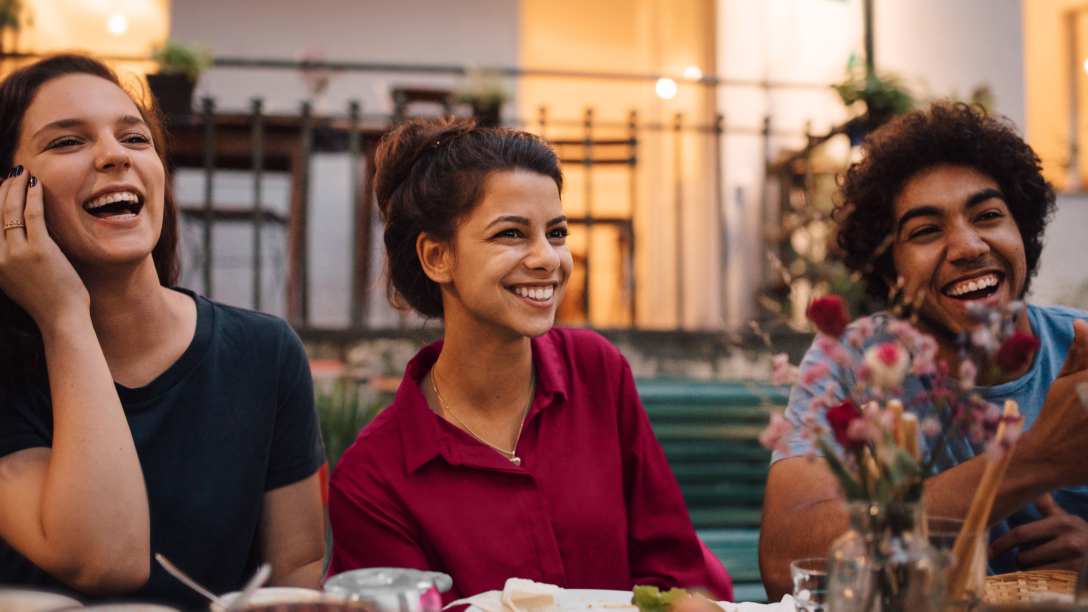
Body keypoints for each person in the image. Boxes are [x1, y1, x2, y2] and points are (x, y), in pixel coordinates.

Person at [326, 119, 733, 603]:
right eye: (512, 234)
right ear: (437, 256)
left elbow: (675, 573)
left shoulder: (596, 372)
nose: (549, 259)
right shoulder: (372, 479)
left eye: (556, 232)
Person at [0, 55, 326, 608]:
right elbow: (107, 560)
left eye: (135, 138)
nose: (114, 156)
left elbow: (296, 565)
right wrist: (64, 316)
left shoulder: (264, 352)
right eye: (66, 143)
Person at [758, 102, 1088, 599]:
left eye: (989, 215)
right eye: (926, 231)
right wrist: (1029, 462)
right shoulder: (854, 363)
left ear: (1023, 230)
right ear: (891, 273)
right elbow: (788, 563)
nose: (968, 245)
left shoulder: (1082, 354)